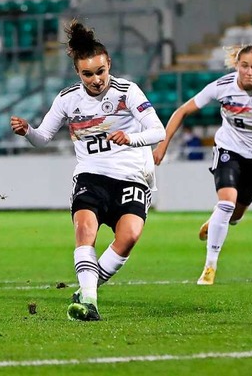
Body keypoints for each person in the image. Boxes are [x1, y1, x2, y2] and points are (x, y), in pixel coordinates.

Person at [10, 19, 166, 321]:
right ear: (78, 72)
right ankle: (89, 301)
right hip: (91, 174)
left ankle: (86, 289)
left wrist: (131, 137)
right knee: (85, 230)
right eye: (88, 74)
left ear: (109, 65)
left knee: (129, 237)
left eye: (101, 71)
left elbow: (157, 131)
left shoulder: (128, 91)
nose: (96, 79)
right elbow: (42, 138)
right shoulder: (68, 99)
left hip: (132, 175)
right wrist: (28, 130)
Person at [152, 44, 252, 285]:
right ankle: (210, 267)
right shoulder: (222, 86)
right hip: (229, 150)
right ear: (237, 65)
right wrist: (163, 144)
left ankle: (215, 220)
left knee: (235, 215)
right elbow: (183, 110)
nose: (250, 72)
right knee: (226, 204)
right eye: (244, 66)